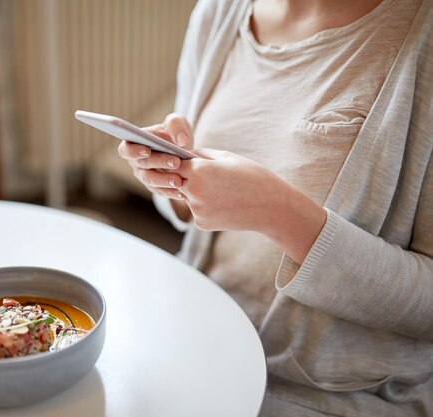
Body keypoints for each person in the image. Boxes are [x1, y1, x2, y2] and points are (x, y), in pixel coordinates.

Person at [118, 0, 433, 415]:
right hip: (198, 337)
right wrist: (171, 176)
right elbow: (192, 213)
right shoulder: (220, 12)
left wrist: (278, 212)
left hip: (332, 392)